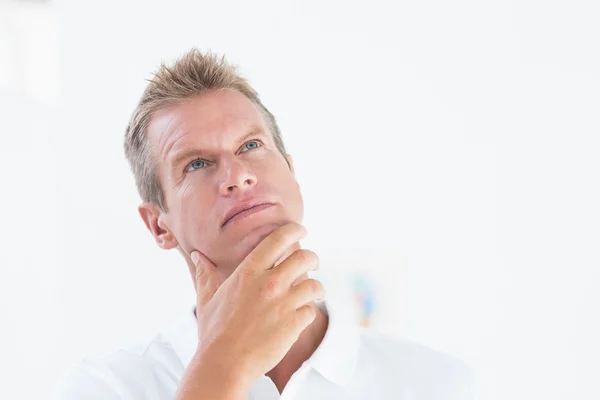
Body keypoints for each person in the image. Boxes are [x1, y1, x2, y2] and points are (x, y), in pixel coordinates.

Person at [54, 48, 477, 399]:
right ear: (158, 226)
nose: (237, 175)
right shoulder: (105, 388)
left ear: (292, 173)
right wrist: (221, 369)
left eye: (251, 145)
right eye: (197, 163)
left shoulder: (437, 385)